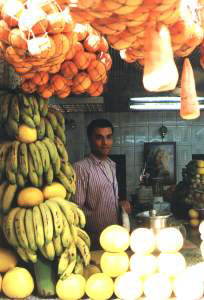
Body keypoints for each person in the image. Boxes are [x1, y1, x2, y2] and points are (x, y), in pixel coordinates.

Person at [72, 118, 131, 250]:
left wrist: (121, 204)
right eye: (99, 137)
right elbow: (75, 210)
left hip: (115, 239)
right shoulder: (81, 168)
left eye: (108, 137)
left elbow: (106, 197)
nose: (105, 143)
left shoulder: (112, 165)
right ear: (90, 140)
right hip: (94, 242)